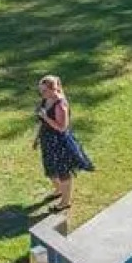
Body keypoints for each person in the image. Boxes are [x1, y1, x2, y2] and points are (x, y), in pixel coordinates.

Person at [36, 75, 94, 220]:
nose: (41, 94)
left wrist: (46, 117)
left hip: (59, 143)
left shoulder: (60, 104)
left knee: (62, 172)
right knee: (50, 168)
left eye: (43, 91)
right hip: (47, 140)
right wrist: (37, 137)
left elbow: (62, 128)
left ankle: (65, 201)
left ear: (52, 89)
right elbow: (43, 124)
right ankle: (58, 190)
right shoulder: (46, 100)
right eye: (40, 91)